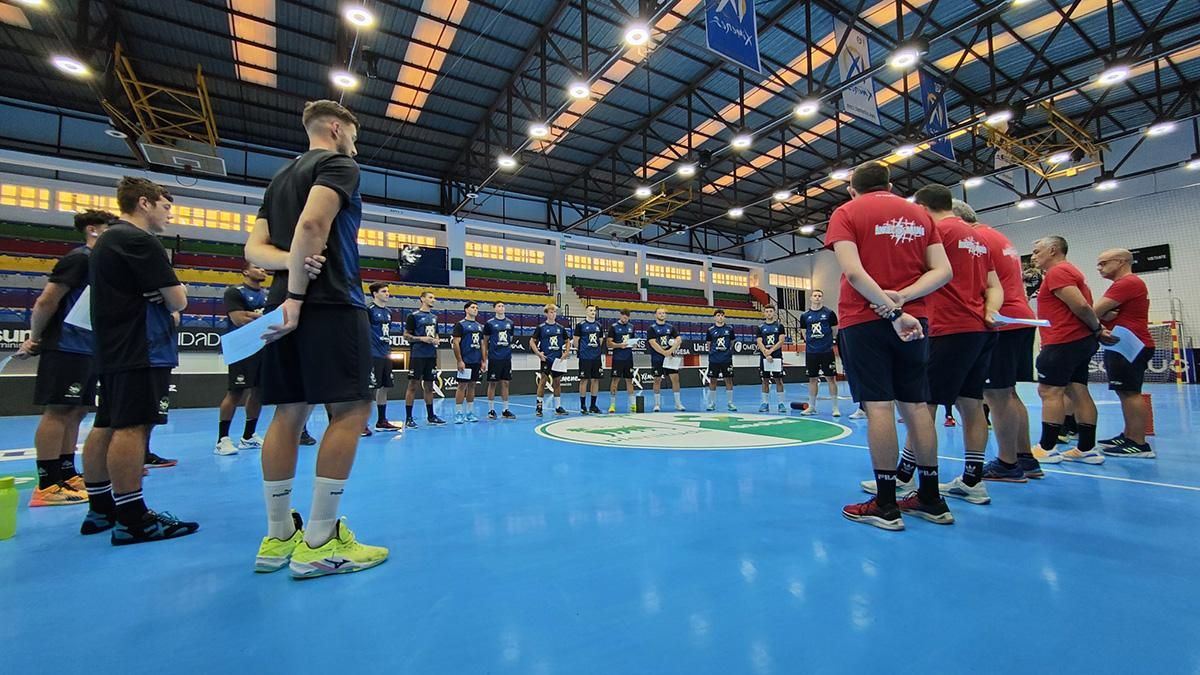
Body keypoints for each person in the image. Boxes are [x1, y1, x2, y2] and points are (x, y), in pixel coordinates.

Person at [245, 99, 386, 577]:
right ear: (335, 127)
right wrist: (301, 296)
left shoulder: (279, 180)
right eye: (353, 132)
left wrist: (288, 280)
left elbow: (255, 250)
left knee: (288, 413)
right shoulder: (338, 164)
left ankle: (278, 535)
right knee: (349, 411)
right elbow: (313, 225)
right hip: (330, 303)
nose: (355, 142)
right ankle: (321, 541)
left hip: (281, 305)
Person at [825, 161, 953, 530]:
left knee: (879, 406)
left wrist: (890, 309)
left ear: (853, 188)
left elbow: (852, 272)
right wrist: (904, 300)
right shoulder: (920, 215)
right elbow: (943, 272)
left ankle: (885, 503)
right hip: (917, 318)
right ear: (890, 185)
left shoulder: (847, 212)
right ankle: (930, 497)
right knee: (916, 406)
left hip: (866, 320)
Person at [78, 176, 197, 544]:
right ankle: (133, 519)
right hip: (141, 345)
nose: (169, 216)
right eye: (165, 207)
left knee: (108, 423)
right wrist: (176, 296)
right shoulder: (137, 240)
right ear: (144, 203)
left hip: (115, 345)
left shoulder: (108, 240)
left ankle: (101, 508)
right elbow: (178, 300)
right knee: (133, 426)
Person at [15, 209, 114, 506]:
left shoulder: (99, 264)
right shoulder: (79, 259)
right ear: (93, 230)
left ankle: (68, 473)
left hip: (89, 348)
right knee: (58, 411)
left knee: (77, 411)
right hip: (66, 345)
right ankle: (46, 484)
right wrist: (35, 337)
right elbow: (46, 300)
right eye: (110, 228)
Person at [910, 185, 1001, 506]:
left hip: (947, 328)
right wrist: (989, 312)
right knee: (972, 403)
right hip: (980, 329)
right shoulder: (979, 237)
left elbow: (914, 271)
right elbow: (994, 286)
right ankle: (973, 480)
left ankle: (909, 477)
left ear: (922, 206)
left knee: (923, 406)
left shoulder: (938, 232)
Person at [954, 199, 1043, 482]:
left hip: (1000, 321)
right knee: (1009, 393)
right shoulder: (997, 235)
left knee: (996, 395)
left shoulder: (974, 239)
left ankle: (1007, 463)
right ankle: (1024, 457)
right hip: (1020, 318)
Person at [1029, 236, 1107, 465]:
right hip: (1077, 341)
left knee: (1050, 391)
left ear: (1052, 250)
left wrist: (1097, 328)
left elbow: (1081, 305)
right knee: (1078, 390)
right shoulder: (1069, 271)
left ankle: (1047, 447)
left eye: (1036, 251)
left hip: (1063, 341)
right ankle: (1087, 448)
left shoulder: (1057, 272)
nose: (1033, 257)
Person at [1093, 248, 1156, 458]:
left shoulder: (1127, 283)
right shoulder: (1124, 285)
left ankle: (1138, 443)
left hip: (1127, 343)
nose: (1099, 268)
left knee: (1131, 393)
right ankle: (1129, 435)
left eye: (1103, 263)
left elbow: (1093, 311)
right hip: (1123, 343)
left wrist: (1102, 316)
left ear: (1120, 262)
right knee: (1125, 392)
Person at [215, 261, 269, 456]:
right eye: (257, 267)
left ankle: (248, 436)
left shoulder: (267, 295)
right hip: (241, 348)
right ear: (245, 271)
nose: (262, 269)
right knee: (236, 393)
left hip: (261, 348)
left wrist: (253, 315)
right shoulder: (234, 292)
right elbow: (238, 320)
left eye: (262, 267)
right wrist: (261, 317)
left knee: (258, 392)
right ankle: (222, 439)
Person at [403, 291, 446, 428]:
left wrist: (436, 339)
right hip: (418, 354)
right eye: (430, 297)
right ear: (422, 299)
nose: (433, 299)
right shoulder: (413, 316)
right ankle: (409, 418)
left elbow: (436, 333)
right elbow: (406, 335)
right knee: (413, 385)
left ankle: (431, 416)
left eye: (434, 297)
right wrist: (421, 339)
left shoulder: (434, 317)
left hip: (431, 355)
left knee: (429, 386)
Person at [366, 281, 403, 435]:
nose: (387, 294)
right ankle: (362, 423)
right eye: (383, 291)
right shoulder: (369, 310)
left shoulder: (388, 312)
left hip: (385, 353)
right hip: (373, 354)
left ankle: (381, 421)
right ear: (375, 294)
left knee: (385, 387)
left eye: (388, 291)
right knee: (370, 388)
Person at [799, 290, 840, 416]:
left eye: (819, 296)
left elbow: (834, 331)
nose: (817, 298)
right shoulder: (805, 316)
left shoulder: (829, 313)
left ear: (822, 298)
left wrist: (826, 342)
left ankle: (835, 408)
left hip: (826, 351)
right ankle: (812, 407)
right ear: (811, 298)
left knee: (831, 379)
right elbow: (804, 333)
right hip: (811, 352)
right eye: (815, 296)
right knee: (812, 379)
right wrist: (812, 343)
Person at [531, 304, 569, 417]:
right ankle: (539, 407)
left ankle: (557, 407)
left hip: (558, 359)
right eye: (551, 312)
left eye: (554, 312)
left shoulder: (560, 328)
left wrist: (566, 352)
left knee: (557, 382)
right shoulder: (541, 327)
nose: (553, 314)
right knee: (543, 381)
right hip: (546, 358)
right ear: (546, 313)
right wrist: (538, 353)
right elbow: (532, 341)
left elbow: (567, 341)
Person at [452, 301, 486, 424]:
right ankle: (458, 413)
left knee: (472, 385)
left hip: (476, 361)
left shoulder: (479, 326)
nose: (475, 309)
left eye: (477, 307)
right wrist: (460, 360)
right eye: (473, 307)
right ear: (466, 309)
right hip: (465, 361)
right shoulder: (460, 325)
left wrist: (483, 360)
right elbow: (455, 343)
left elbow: (482, 344)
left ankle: (470, 412)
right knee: (462, 386)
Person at [646, 307, 684, 412]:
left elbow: (679, 339)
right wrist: (664, 353)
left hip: (670, 358)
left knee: (675, 379)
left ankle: (678, 403)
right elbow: (653, 343)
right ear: (656, 315)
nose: (662, 315)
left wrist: (671, 350)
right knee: (657, 379)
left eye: (663, 313)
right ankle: (657, 404)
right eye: (660, 313)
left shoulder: (670, 327)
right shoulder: (652, 328)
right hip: (657, 358)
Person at [483, 301, 516, 420]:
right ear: (494, 309)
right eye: (499, 306)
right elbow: (485, 340)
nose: (501, 308)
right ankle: (491, 410)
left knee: (506, 383)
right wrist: (485, 356)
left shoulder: (510, 323)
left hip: (506, 357)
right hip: (494, 357)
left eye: (503, 306)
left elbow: (510, 338)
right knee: (492, 383)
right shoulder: (489, 324)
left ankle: (505, 409)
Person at [756, 306, 788, 414]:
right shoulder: (760, 327)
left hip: (777, 357)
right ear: (764, 313)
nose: (769, 313)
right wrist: (766, 352)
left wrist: (771, 351)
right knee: (764, 380)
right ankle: (765, 403)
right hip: (764, 357)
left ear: (774, 313)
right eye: (767, 311)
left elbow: (781, 341)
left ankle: (781, 403)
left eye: (771, 311)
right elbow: (759, 342)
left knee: (779, 380)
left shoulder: (780, 326)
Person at [574, 304, 605, 415]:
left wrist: (595, 350)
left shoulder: (599, 325)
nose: (593, 312)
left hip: (596, 357)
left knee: (595, 380)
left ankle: (593, 405)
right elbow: (576, 340)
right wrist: (581, 351)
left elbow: (600, 340)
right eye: (591, 310)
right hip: (585, 357)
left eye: (594, 310)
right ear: (586, 312)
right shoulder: (580, 325)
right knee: (584, 380)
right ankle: (583, 405)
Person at [705, 309, 737, 412]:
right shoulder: (710, 330)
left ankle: (730, 403)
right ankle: (712, 403)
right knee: (713, 380)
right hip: (714, 359)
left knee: (728, 380)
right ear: (715, 317)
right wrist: (712, 353)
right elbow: (709, 344)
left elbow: (732, 342)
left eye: (722, 315)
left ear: (724, 317)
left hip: (726, 359)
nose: (720, 317)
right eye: (718, 315)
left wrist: (727, 351)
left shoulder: (730, 329)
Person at [607, 309, 637, 414]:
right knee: (615, 381)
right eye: (624, 317)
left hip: (628, 358)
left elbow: (633, 339)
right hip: (618, 358)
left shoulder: (631, 327)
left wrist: (634, 344)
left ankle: (633, 404)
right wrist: (620, 345)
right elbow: (609, 343)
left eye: (627, 317)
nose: (625, 319)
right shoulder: (614, 327)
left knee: (629, 380)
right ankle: (612, 404)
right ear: (620, 316)